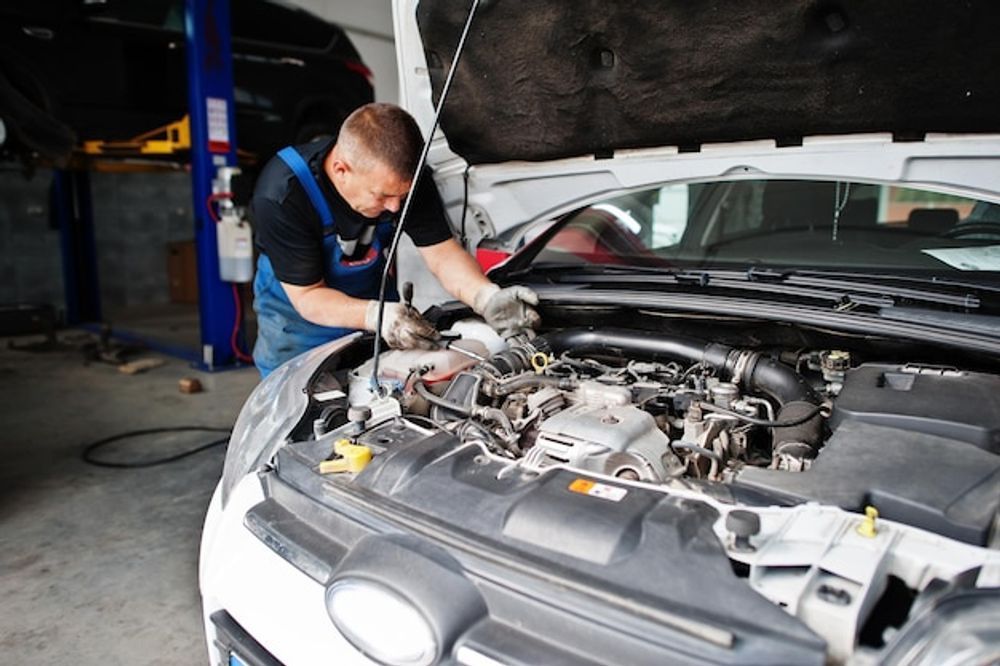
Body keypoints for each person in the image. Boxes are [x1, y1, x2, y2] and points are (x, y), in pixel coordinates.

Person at [250, 102, 539, 377]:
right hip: (297, 327)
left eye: (402, 196)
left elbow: (442, 254)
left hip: (377, 312)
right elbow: (308, 297)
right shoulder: (283, 195)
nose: (395, 208)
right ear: (341, 170)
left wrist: (485, 296)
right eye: (383, 196)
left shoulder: (405, 179)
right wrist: (377, 316)